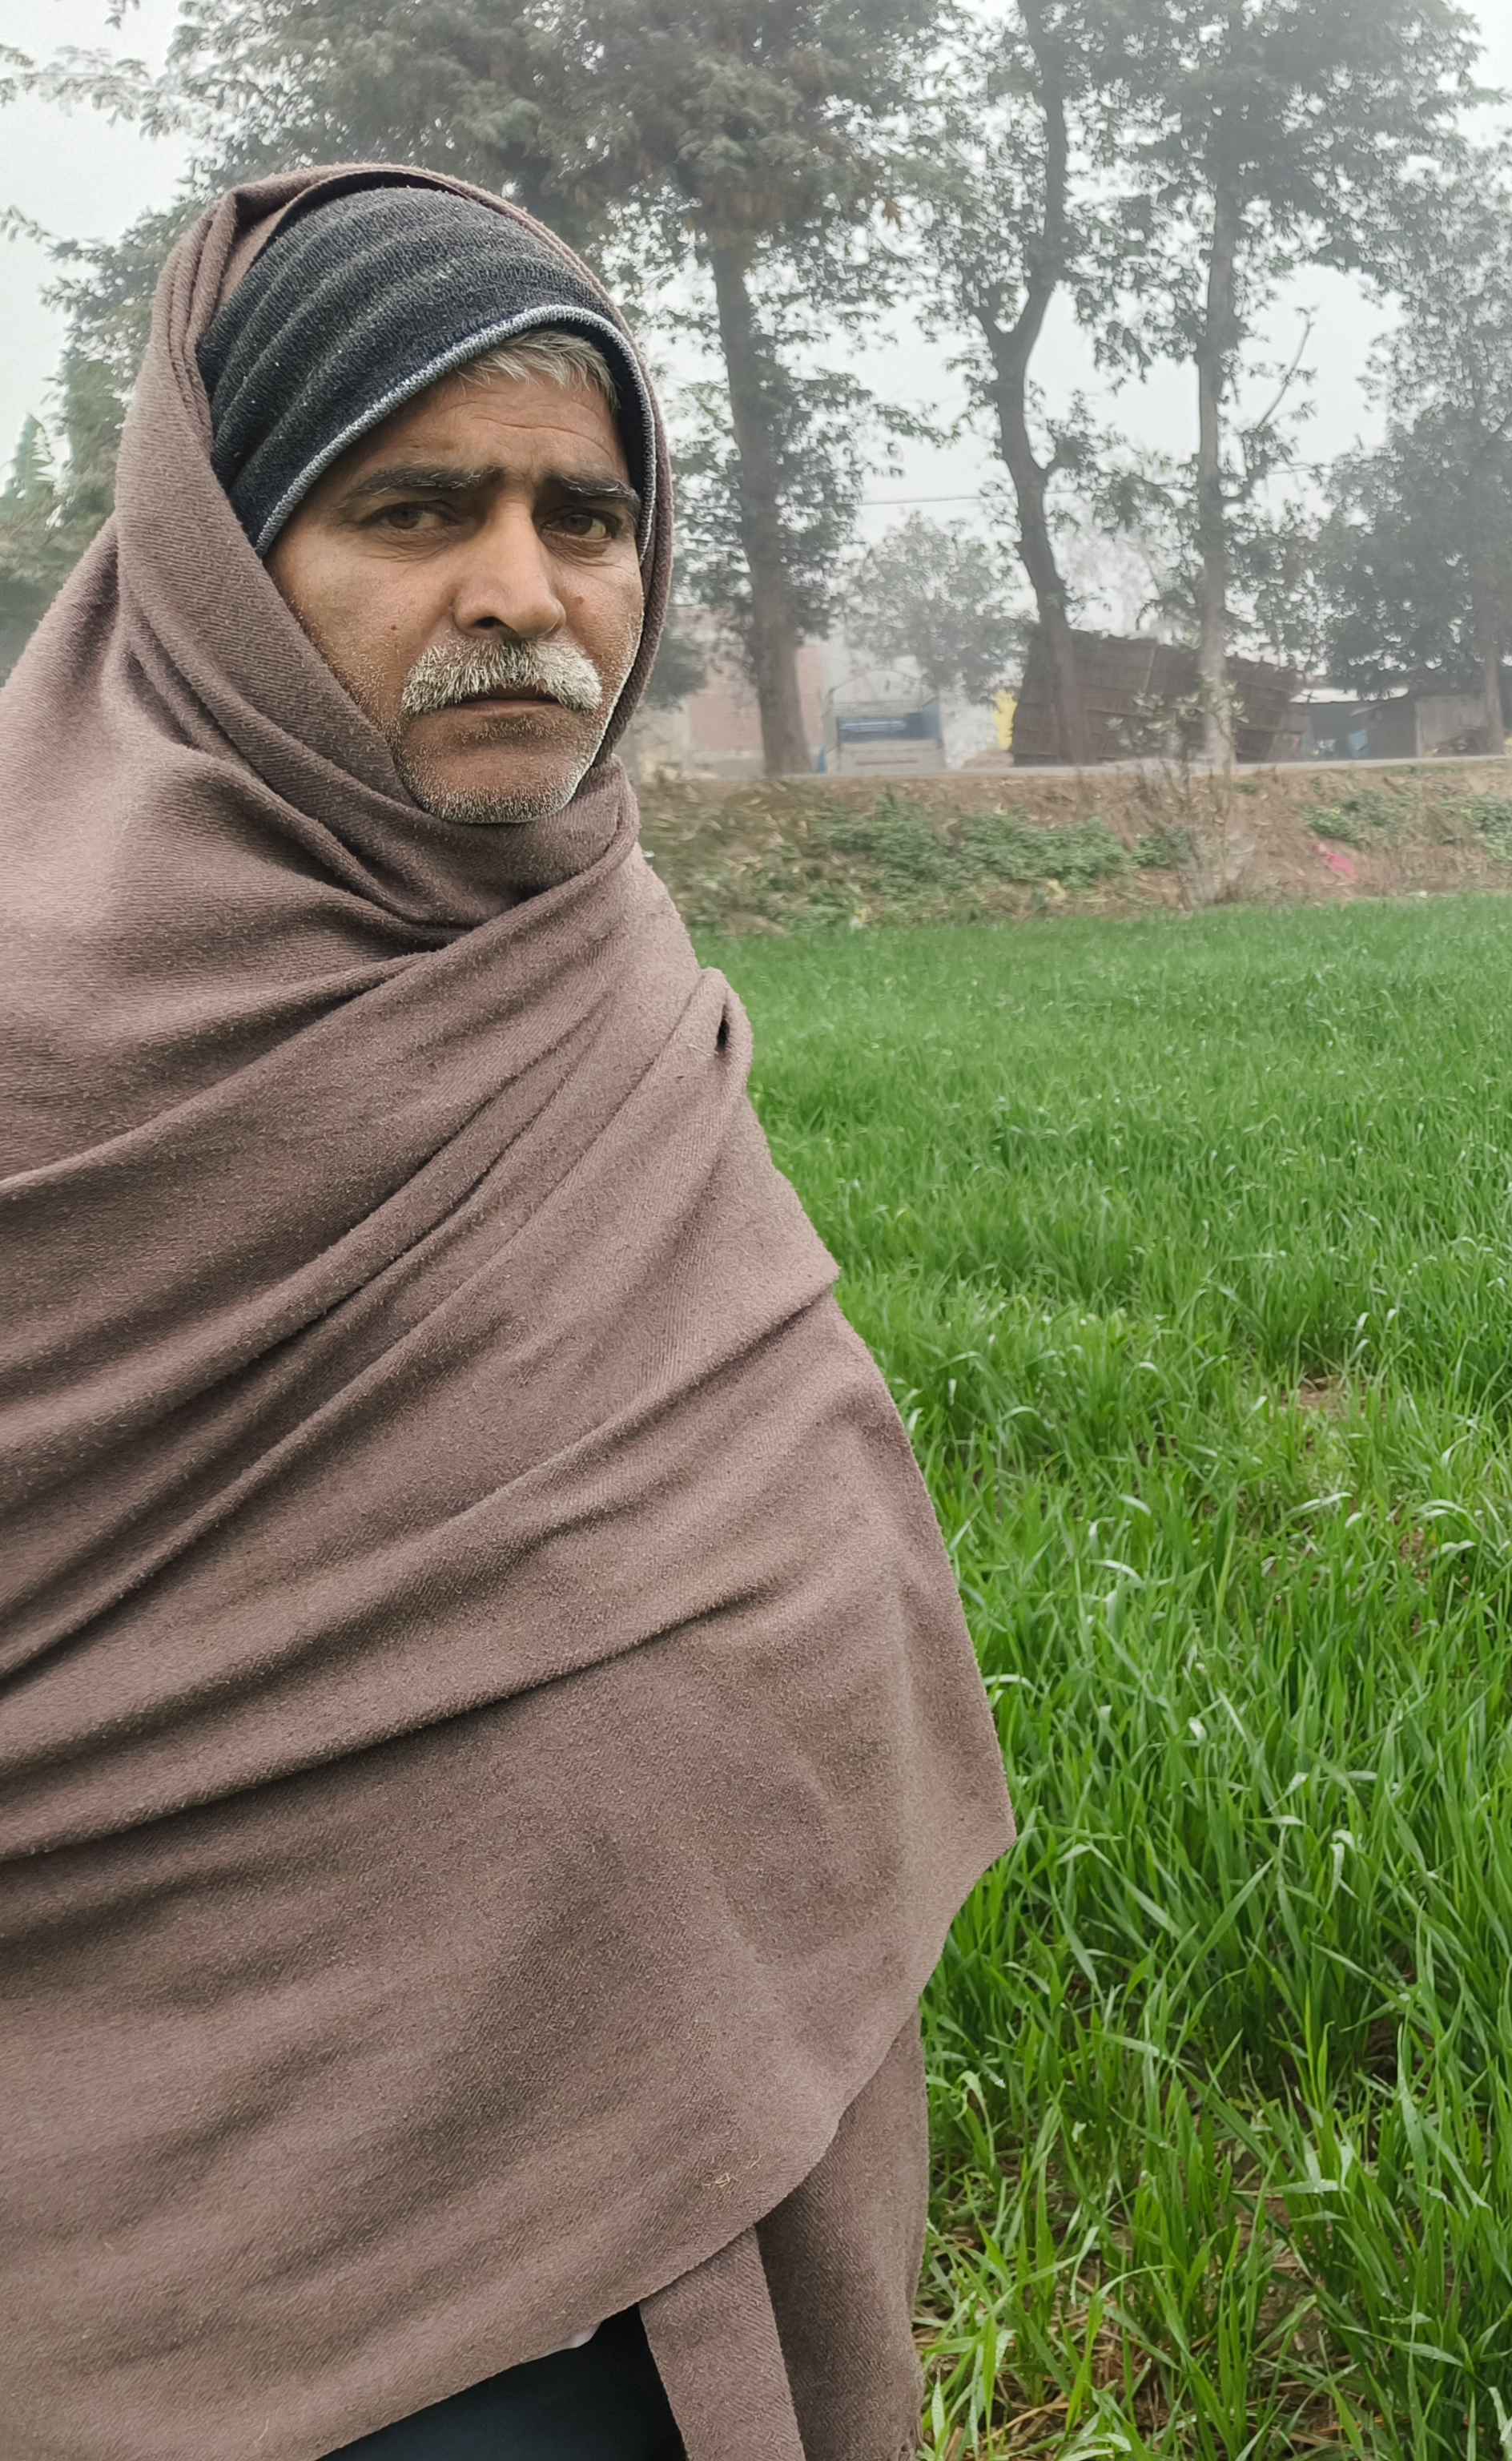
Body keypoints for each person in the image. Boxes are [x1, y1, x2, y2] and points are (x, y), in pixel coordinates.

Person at [0, 168, 1015, 2460]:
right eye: (413, 508)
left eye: (586, 516)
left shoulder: (594, 955)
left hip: (701, 2209)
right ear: (216, 562)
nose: (524, 594)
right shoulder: (35, 1024)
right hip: (203, 2305)